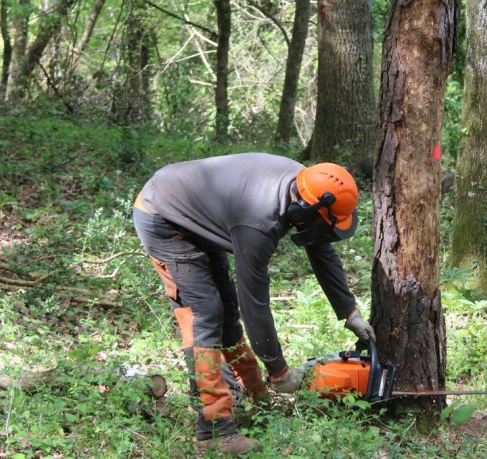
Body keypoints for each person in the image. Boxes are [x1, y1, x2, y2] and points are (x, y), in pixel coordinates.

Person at [132, 153, 376, 454]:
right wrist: (280, 371)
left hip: (199, 213)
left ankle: (254, 393)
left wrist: (349, 311)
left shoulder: (306, 185)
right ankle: (213, 429)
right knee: (205, 315)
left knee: (226, 310)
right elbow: (255, 304)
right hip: (164, 218)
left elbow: (321, 249)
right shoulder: (259, 222)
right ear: (304, 210)